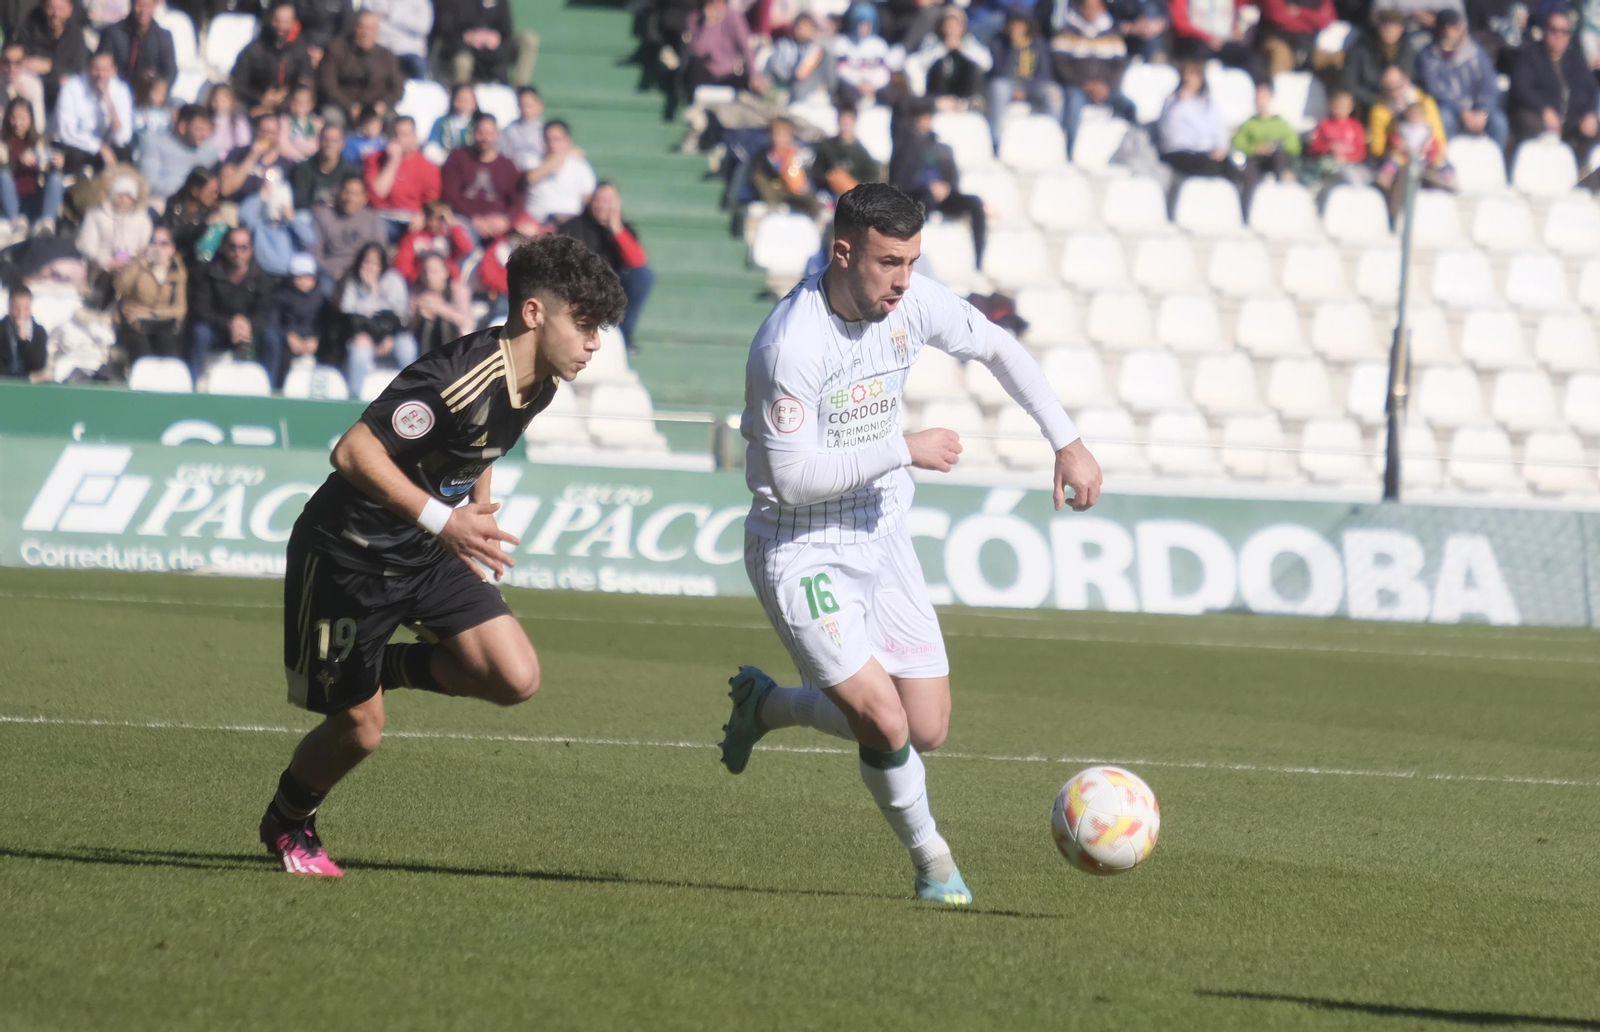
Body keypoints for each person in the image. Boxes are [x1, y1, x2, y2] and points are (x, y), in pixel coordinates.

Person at [719, 182, 1102, 906]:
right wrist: (902, 448)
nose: (903, 279)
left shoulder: (913, 302)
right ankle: (935, 865)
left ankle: (767, 706)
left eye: (913, 260)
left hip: (882, 531)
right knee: (884, 719)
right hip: (801, 546)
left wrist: (1069, 442)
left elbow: (996, 347)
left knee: (925, 726)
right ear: (843, 251)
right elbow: (794, 481)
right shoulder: (789, 344)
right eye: (889, 261)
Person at [255, 234, 627, 876]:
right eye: (585, 325)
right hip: (348, 557)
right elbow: (351, 453)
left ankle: (386, 667)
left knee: (516, 678)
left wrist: (474, 517)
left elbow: (483, 449)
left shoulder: (540, 382)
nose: (595, 343)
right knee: (360, 731)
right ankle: (289, 819)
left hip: (428, 549)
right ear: (535, 314)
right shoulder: (458, 377)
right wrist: (444, 519)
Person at [890, 101, 987, 266]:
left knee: (975, 203)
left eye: (927, 118)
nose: (925, 122)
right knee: (925, 199)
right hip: (916, 196)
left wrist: (946, 188)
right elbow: (900, 181)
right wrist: (927, 187)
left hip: (941, 196)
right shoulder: (904, 147)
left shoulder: (940, 147)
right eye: (921, 118)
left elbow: (952, 177)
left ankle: (978, 261)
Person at [559, 182, 652, 350]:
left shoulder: (624, 229)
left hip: (614, 286)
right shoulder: (573, 226)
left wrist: (616, 230)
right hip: (582, 287)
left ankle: (623, 335)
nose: (602, 206)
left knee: (643, 276)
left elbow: (638, 262)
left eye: (608, 201)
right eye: (598, 200)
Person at [1508, 10, 1599, 164]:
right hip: (1538, 116)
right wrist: (1544, 109)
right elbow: (1520, 88)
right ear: (1545, 31)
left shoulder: (1575, 58)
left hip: (1570, 119)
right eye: (1554, 30)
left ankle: (1582, 176)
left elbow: (1592, 90)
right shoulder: (1530, 55)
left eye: (1564, 31)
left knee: (1593, 128)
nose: (1559, 35)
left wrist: (1591, 114)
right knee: (1531, 123)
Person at [1052, 0, 1139, 159]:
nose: (1090, 11)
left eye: (1095, 7)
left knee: (1129, 107)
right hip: (1077, 87)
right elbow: (1061, 66)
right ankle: (1070, 151)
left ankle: (1134, 150)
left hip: (1106, 89)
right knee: (1073, 106)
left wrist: (1106, 87)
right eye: (1087, 7)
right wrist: (1085, 84)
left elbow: (1119, 67)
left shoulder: (1112, 34)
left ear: (1101, 9)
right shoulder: (1067, 31)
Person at [187, 225, 274, 377]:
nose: (237, 253)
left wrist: (248, 324)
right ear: (224, 248)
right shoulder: (209, 274)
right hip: (217, 330)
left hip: (249, 331)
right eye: (232, 247)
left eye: (243, 247)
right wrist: (229, 323)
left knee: (272, 338)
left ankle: (270, 390)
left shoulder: (262, 277)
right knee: (200, 332)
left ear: (251, 249)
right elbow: (201, 309)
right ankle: (193, 385)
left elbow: (265, 311)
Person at [1416, 8, 1506, 148]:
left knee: (1499, 123)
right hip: (1451, 109)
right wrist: (1463, 112)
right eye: (1444, 26)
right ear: (1437, 29)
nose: (1449, 32)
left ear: (1461, 27)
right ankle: (1444, 163)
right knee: (1444, 118)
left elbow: (1489, 85)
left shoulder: (1476, 52)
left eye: (1453, 26)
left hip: (1478, 109)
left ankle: (1497, 164)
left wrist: (1483, 111)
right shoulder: (1428, 55)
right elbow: (1434, 89)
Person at [333, 241, 415, 393]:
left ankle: (412, 393)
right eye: (367, 262)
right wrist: (370, 294)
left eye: (375, 263)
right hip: (363, 335)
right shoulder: (352, 281)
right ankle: (354, 396)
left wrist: (389, 336)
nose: (371, 267)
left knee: (407, 347)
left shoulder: (394, 280)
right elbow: (348, 313)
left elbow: (400, 314)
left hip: (392, 334)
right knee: (360, 353)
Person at [986, 7, 1060, 153]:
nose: (1017, 28)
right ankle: (995, 140)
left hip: (1032, 85)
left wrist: (1026, 90)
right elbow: (999, 71)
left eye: (1021, 24)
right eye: (1014, 24)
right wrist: (1013, 47)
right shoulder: (999, 41)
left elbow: (1044, 73)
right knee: (998, 87)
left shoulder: (1038, 42)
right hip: (1008, 84)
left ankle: (1053, 139)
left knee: (1054, 93)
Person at [441, 112, 520, 244]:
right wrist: (474, 219)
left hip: (499, 223)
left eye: (489, 133)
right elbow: (450, 195)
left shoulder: (507, 165)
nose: (485, 138)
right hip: (464, 219)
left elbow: (517, 199)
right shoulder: (458, 158)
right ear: (473, 133)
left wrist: (505, 219)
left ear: (497, 134)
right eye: (480, 133)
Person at [1156, 58, 1236, 184]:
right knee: (1209, 166)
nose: (1190, 79)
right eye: (1187, 75)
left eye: (1194, 74)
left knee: (1232, 168)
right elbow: (1170, 134)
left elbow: (1219, 129)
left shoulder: (1208, 103)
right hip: (1179, 151)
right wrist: (1181, 102)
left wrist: (1219, 148)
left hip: (1205, 152)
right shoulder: (1172, 102)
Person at [112, 223, 185, 362]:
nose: (158, 247)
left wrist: (150, 314)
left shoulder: (178, 271)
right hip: (134, 324)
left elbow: (180, 309)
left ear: (172, 249)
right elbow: (120, 287)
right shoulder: (138, 264)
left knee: (169, 349)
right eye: (153, 242)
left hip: (162, 323)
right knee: (142, 352)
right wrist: (141, 263)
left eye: (164, 243)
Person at [52, 51, 132, 175]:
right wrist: (99, 147)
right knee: (75, 156)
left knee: (124, 154)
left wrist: (108, 100)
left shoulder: (121, 90)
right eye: (96, 69)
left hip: (106, 147)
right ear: (87, 69)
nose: (100, 75)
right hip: (78, 146)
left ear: (113, 70)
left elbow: (123, 136)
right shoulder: (72, 87)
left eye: (105, 70)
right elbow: (66, 132)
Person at [1375, 97, 1456, 219]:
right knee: (1394, 160)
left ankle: (1448, 178)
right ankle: (1386, 176)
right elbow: (1396, 140)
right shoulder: (1403, 129)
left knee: (1441, 161)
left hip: (1425, 160)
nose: (1415, 119)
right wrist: (1402, 146)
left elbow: (1435, 146)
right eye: (1412, 116)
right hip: (1406, 158)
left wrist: (1428, 149)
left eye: (1418, 116)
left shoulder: (1427, 131)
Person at [317, 11, 404, 125]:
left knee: (394, 122)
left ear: (377, 31)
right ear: (355, 28)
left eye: (371, 29)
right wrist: (349, 106)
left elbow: (398, 87)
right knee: (332, 118)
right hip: (342, 106)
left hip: (376, 108)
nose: (365, 33)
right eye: (362, 28)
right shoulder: (337, 49)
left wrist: (383, 105)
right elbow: (328, 84)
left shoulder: (387, 56)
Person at [230, 2, 313, 116]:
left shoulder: (300, 50)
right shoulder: (253, 50)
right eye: (277, 21)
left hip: (289, 105)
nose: (281, 26)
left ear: (293, 23)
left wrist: (285, 96)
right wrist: (261, 98)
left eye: (286, 22)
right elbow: (238, 84)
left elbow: (305, 79)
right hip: (254, 103)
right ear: (270, 20)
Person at [365, 115, 440, 239]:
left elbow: (432, 201)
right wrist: (393, 161)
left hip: (411, 220)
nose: (398, 139)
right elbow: (376, 197)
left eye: (404, 135)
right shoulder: (375, 159)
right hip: (382, 216)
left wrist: (423, 215)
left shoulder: (428, 167)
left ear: (414, 136)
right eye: (395, 135)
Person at [433, 0, 538, 87]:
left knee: (529, 39)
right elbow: (445, 28)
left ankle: (521, 90)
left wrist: (493, 38)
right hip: (461, 49)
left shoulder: (500, 2)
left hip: (495, 50)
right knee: (463, 61)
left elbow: (506, 30)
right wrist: (471, 37)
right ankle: (461, 96)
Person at [904, 6, 992, 108]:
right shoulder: (932, 41)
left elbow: (987, 63)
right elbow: (919, 63)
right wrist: (944, 49)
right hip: (938, 96)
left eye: (956, 25)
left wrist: (962, 49)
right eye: (949, 25)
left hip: (962, 96)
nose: (952, 28)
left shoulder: (969, 42)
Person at [0, 95, 64, 234]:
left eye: (22, 119)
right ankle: (15, 221)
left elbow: (47, 169)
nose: (17, 123)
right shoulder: (3, 142)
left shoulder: (39, 142)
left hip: (33, 197)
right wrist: (17, 162)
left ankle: (47, 223)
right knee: (3, 175)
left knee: (57, 177)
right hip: (10, 199)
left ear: (30, 119)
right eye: (13, 118)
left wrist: (56, 163)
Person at [1232, 81, 1300, 210]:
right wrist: (1254, 148)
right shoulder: (1249, 124)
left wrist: (1274, 147)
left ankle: (1285, 202)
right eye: (1258, 97)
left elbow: (1294, 146)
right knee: (1249, 175)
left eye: (1264, 97)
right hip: (1256, 160)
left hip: (1276, 159)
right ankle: (1246, 211)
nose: (1261, 101)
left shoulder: (1281, 123)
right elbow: (1238, 144)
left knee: (1281, 158)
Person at [262, 251, 326, 387]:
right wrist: (288, 335)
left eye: (307, 276)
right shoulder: (281, 296)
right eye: (299, 277)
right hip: (289, 342)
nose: (303, 281)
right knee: (282, 357)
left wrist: (317, 338)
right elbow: (274, 321)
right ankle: (277, 389)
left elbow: (325, 324)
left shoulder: (322, 299)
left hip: (314, 341)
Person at [313, 173, 385, 283]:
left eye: (356, 194)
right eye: (347, 192)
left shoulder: (373, 220)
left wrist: (363, 273)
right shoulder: (322, 216)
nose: (350, 198)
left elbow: (379, 254)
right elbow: (314, 253)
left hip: (362, 274)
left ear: (365, 198)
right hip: (331, 274)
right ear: (339, 192)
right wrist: (332, 272)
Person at [239, 175, 318, 275]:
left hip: (292, 275)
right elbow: (244, 216)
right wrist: (261, 196)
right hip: (266, 274)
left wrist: (292, 218)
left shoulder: (294, 223)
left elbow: (309, 238)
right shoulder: (259, 224)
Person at [137, 101, 214, 203]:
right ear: (183, 127)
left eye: (206, 130)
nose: (204, 135)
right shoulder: (155, 143)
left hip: (198, 204)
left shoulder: (210, 150)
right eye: (198, 129)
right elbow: (148, 183)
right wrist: (185, 192)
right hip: (163, 201)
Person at [1342, 9, 1416, 114]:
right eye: (1386, 25)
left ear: (1401, 28)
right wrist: (1378, 99)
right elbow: (1349, 83)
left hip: (1401, 100)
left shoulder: (1407, 47)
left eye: (1395, 25)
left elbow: (1411, 75)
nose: (1390, 29)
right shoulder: (1361, 48)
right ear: (1378, 26)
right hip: (1370, 104)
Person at [76, 170, 152, 273]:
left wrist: (129, 262)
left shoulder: (142, 219)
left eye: (127, 196)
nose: (123, 199)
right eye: (119, 195)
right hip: (99, 269)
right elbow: (87, 245)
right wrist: (106, 262)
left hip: (131, 270)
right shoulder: (95, 214)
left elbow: (144, 248)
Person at [523, 120, 596, 225]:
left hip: (570, 223)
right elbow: (530, 178)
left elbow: (588, 196)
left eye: (557, 139)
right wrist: (562, 155)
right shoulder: (533, 161)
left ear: (568, 140)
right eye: (548, 139)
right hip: (537, 223)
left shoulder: (580, 165)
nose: (552, 144)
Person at [18, 0, 90, 105]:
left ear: (70, 10)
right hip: (37, 86)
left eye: (61, 9)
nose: (55, 14)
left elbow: (78, 69)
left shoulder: (76, 36)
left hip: (62, 92)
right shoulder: (30, 30)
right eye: (51, 8)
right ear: (43, 7)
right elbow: (24, 61)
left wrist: (50, 67)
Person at [751, 115, 821, 217]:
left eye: (784, 135)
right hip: (776, 195)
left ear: (790, 136)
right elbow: (763, 181)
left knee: (813, 203)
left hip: (797, 195)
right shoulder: (763, 158)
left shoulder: (800, 156)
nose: (780, 139)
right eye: (777, 134)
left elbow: (808, 184)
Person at [96, 0, 175, 90]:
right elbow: (101, 64)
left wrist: (161, 86)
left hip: (148, 96)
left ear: (155, 5)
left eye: (147, 6)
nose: (143, 11)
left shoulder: (163, 37)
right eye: (139, 6)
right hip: (116, 92)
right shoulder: (112, 33)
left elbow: (170, 72)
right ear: (132, 4)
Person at [408, 251, 472, 355]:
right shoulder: (418, 291)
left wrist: (439, 309)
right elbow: (410, 325)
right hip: (423, 340)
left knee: (444, 322)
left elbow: (465, 321)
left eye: (434, 271)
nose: (429, 276)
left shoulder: (458, 290)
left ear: (445, 272)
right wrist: (419, 313)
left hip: (453, 341)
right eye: (425, 272)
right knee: (428, 323)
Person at [218, 111, 293, 200]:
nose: (267, 136)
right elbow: (226, 190)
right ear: (257, 130)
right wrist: (253, 156)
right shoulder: (239, 153)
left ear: (278, 134)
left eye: (272, 132)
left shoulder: (286, 164)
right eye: (264, 131)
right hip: (235, 205)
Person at [813, 105, 884, 199]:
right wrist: (829, 178)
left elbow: (872, 175)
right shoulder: (826, 146)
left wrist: (852, 184)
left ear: (854, 124)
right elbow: (817, 172)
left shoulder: (861, 152)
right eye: (841, 123)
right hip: (829, 195)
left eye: (847, 123)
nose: (844, 127)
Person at [764, 11, 835, 104]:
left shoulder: (816, 49)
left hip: (807, 95)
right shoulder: (784, 44)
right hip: (782, 87)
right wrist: (792, 75)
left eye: (808, 27)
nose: (804, 30)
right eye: (801, 26)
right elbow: (778, 69)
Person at [395, 199, 472, 281]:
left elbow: (465, 248)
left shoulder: (449, 237)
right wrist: (417, 280)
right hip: (421, 282)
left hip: (446, 282)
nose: (439, 222)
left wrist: (453, 225)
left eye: (442, 219)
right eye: (436, 218)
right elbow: (403, 265)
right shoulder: (413, 238)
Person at [1305, 88, 1369, 184]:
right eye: (1338, 105)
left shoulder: (1356, 126)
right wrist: (1329, 148)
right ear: (1331, 105)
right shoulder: (1324, 124)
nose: (1341, 108)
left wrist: (1346, 157)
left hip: (1351, 164)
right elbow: (1315, 147)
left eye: (1345, 106)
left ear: (1351, 107)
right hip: (1329, 163)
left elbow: (1361, 152)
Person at [161, 165, 224, 264]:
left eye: (216, 192)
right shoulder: (175, 208)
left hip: (196, 261)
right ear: (195, 191)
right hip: (173, 258)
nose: (215, 196)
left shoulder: (207, 211)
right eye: (210, 192)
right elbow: (172, 238)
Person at [1255, 0, 1336, 76]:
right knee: (1281, 58)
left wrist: (1300, 12)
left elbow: (1327, 19)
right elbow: (1279, 16)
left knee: (1338, 60)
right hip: (1276, 39)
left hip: (1308, 43)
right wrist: (1310, 20)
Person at [836, 1, 893, 108]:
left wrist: (873, 86)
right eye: (861, 24)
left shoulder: (880, 44)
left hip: (874, 86)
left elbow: (885, 72)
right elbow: (841, 69)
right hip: (853, 85)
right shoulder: (843, 42)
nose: (864, 28)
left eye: (868, 24)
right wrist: (859, 84)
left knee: (888, 95)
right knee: (846, 93)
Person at [293, 121, 358, 210]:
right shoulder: (303, 169)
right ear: (319, 141)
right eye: (325, 140)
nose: (329, 145)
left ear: (342, 144)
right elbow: (300, 202)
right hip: (312, 217)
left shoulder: (351, 171)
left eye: (334, 141)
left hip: (341, 218)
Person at [363, 0, 431, 80]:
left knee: (417, 68)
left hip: (408, 51)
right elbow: (364, 16)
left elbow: (424, 27)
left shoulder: (421, 3)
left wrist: (392, 13)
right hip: (380, 48)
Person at [0, 286, 48, 380]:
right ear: (9, 307)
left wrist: (23, 340)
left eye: (26, 309)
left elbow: (38, 365)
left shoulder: (39, 332)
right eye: (17, 309)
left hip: (29, 386)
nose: (21, 314)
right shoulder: (2, 329)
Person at [0, 42, 47, 129]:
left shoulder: (33, 84)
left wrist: (23, 102)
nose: (11, 68)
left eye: (18, 63)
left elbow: (39, 126)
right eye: (6, 62)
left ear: (25, 62)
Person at [428, 83, 479, 156]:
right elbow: (432, 145)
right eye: (461, 99)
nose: (464, 103)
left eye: (467, 100)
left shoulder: (479, 123)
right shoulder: (441, 122)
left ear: (474, 103)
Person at [501, 86, 545, 170]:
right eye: (521, 105)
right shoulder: (509, 130)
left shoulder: (546, 130)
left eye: (529, 105)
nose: (525, 109)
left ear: (539, 106)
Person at [279, 84, 322, 162]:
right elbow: (283, 145)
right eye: (296, 102)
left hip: (311, 162)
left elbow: (317, 146)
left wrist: (297, 143)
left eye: (303, 103)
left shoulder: (317, 123)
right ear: (291, 103)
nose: (299, 106)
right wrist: (300, 157)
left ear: (311, 105)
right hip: (290, 160)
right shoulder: (285, 121)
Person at [206, 82, 252, 156]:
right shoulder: (206, 121)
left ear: (232, 102)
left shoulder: (239, 122)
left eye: (223, 101)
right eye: (215, 100)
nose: (219, 104)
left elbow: (244, 145)